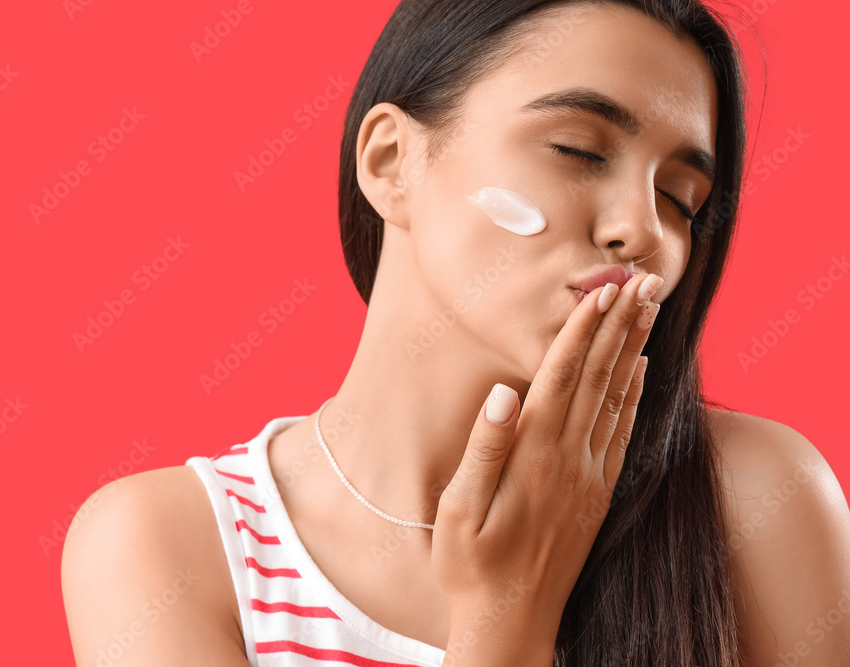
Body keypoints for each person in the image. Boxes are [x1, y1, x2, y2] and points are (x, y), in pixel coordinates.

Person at [60, 1, 850, 665]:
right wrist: (504, 621)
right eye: (578, 150)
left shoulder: (754, 498)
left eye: (679, 197)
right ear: (391, 160)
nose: (640, 230)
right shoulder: (169, 547)